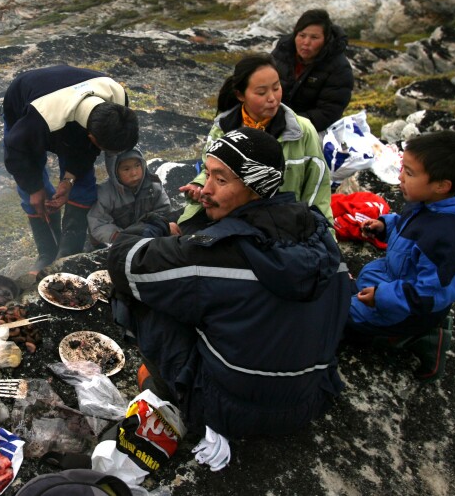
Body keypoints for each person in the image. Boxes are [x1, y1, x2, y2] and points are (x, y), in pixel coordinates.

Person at [107, 128, 350, 469]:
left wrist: (158, 227)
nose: (206, 188)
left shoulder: (219, 256)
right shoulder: (320, 235)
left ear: (256, 185)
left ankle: (165, 384)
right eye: (208, 173)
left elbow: (125, 263)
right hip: (309, 398)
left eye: (220, 179)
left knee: (138, 292)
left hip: (231, 410)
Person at [346, 130, 455, 381]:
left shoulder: (448, 237)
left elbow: (427, 293)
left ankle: (421, 336)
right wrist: (386, 226)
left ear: (442, 185)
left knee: (345, 322)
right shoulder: (428, 203)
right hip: (394, 276)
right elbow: (409, 228)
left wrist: (383, 297)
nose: (400, 177)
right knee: (348, 291)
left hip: (412, 305)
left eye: (409, 173)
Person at [176, 54, 333, 233]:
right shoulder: (224, 128)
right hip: (227, 222)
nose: (272, 98)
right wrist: (198, 186)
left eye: (276, 87)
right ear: (240, 95)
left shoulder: (301, 132)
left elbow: (317, 190)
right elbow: (209, 171)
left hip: (280, 226)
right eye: (261, 92)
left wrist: (325, 238)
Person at [3, 65, 139, 272]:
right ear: (92, 138)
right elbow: (16, 152)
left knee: (82, 185)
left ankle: (69, 252)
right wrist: (33, 188)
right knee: (36, 192)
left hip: (74, 97)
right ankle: (47, 251)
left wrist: (69, 180)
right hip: (31, 102)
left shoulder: (117, 99)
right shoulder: (39, 119)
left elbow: (87, 151)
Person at [270, 9, 354, 132]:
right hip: (273, 118)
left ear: (326, 39)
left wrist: (285, 123)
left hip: (311, 130)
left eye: (314, 37)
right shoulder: (283, 51)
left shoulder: (339, 68)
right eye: (302, 35)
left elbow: (327, 114)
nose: (306, 43)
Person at [87, 147, 174, 248]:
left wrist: (163, 226)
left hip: (149, 237)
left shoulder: (153, 186)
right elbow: (98, 224)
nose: (134, 173)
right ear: (114, 172)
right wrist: (120, 237)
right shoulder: (105, 193)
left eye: (137, 165)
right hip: (115, 243)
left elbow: (164, 212)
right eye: (126, 169)